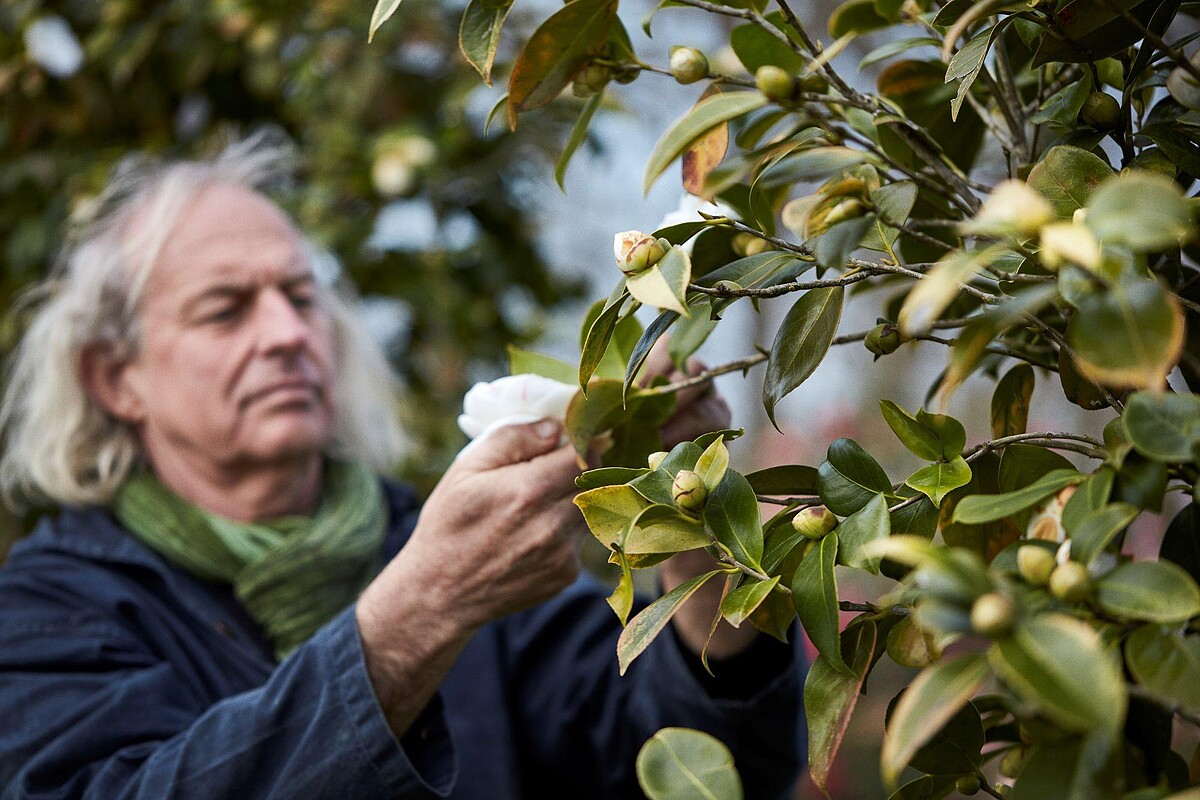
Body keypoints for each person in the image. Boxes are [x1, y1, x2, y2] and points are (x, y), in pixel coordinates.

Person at [0, 136, 806, 799]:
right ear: (116, 377)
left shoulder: (442, 546)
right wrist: (421, 609)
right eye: (226, 308)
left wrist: (693, 527)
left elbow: (695, 765)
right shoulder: (54, 607)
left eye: (302, 295)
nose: (286, 331)